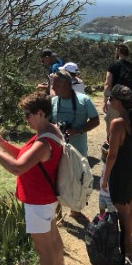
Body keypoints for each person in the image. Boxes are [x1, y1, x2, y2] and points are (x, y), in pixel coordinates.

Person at [0, 93, 67, 265]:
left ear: (40, 113)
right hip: (47, 198)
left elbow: (17, 167)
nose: (25, 119)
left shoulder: (43, 142)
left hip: (38, 200)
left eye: (28, 115)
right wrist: (1, 143)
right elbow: (25, 157)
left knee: (43, 249)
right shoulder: (50, 131)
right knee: (53, 238)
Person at [102, 85, 132, 259]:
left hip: (122, 172)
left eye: (111, 98)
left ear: (118, 102)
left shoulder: (117, 123)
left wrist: (105, 178)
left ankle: (128, 249)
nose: (109, 101)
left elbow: (112, 155)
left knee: (123, 210)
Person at [50, 71, 101, 224]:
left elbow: (95, 120)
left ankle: (75, 211)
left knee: (78, 180)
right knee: (56, 180)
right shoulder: (53, 101)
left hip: (78, 150)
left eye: (55, 84)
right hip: (58, 150)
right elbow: (48, 121)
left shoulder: (84, 100)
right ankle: (58, 214)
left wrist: (78, 130)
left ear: (66, 84)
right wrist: (55, 128)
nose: (52, 87)